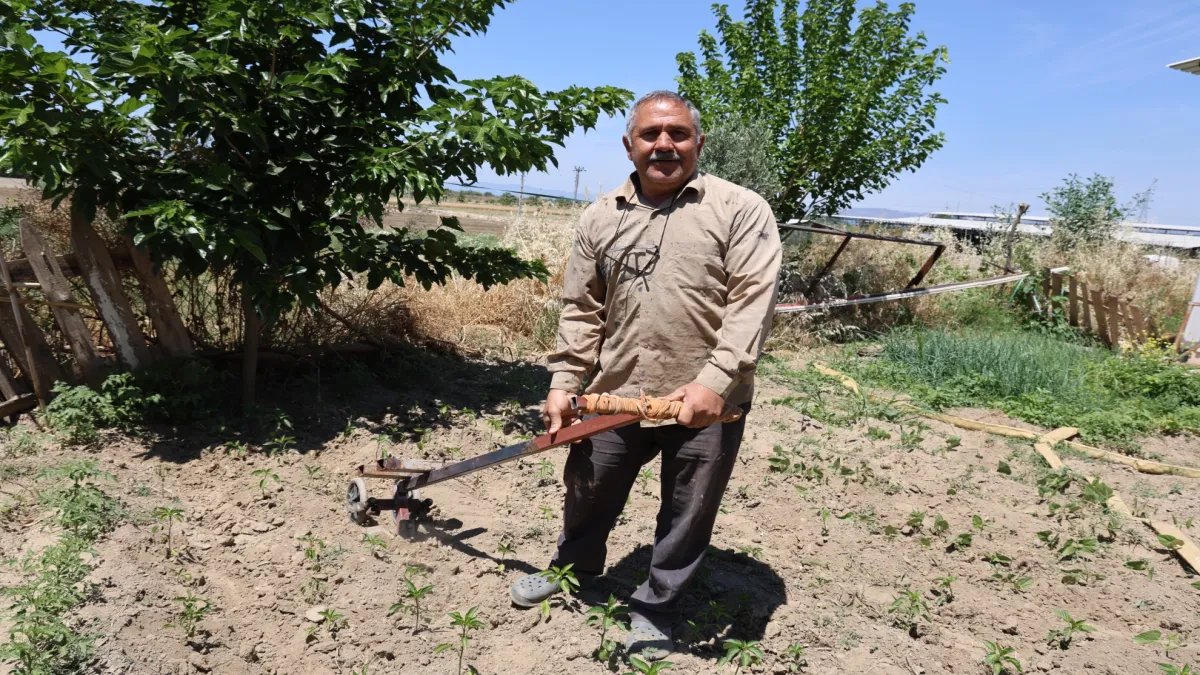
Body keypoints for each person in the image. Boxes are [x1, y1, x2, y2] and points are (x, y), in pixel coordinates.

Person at [508, 90, 782, 660]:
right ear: (629, 144)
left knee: (687, 511)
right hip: (615, 393)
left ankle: (657, 608)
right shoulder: (600, 216)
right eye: (650, 134)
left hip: (706, 402)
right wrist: (564, 382)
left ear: (698, 141)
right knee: (587, 489)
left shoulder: (741, 209)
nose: (664, 145)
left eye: (678, 133)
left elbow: (751, 304)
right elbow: (582, 309)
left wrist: (714, 381)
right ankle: (572, 570)